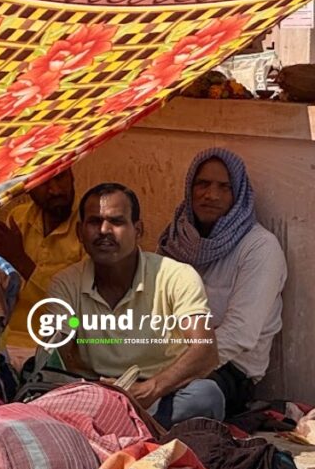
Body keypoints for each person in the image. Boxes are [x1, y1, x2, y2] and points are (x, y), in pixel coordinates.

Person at [46, 183, 223, 427]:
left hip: (159, 395)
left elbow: (205, 350)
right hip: (95, 396)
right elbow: (55, 354)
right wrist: (97, 391)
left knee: (205, 397)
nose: (104, 231)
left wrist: (149, 389)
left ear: (138, 230)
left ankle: (115, 429)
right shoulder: (66, 284)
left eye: (116, 222)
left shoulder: (176, 276)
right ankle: (125, 427)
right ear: (80, 232)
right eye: (94, 222)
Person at [158, 148, 287, 417]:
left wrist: (167, 376)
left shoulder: (259, 247)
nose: (211, 195)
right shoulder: (177, 239)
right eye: (202, 184)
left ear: (238, 195)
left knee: (196, 401)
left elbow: (239, 334)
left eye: (224, 187)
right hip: (164, 356)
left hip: (226, 369)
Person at [0, 169, 83, 367]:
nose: (55, 190)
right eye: (44, 182)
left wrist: (21, 262)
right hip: (7, 342)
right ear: (27, 188)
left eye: (60, 177)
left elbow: (77, 306)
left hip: (59, 348)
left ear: (72, 175)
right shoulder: (18, 218)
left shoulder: (89, 226)